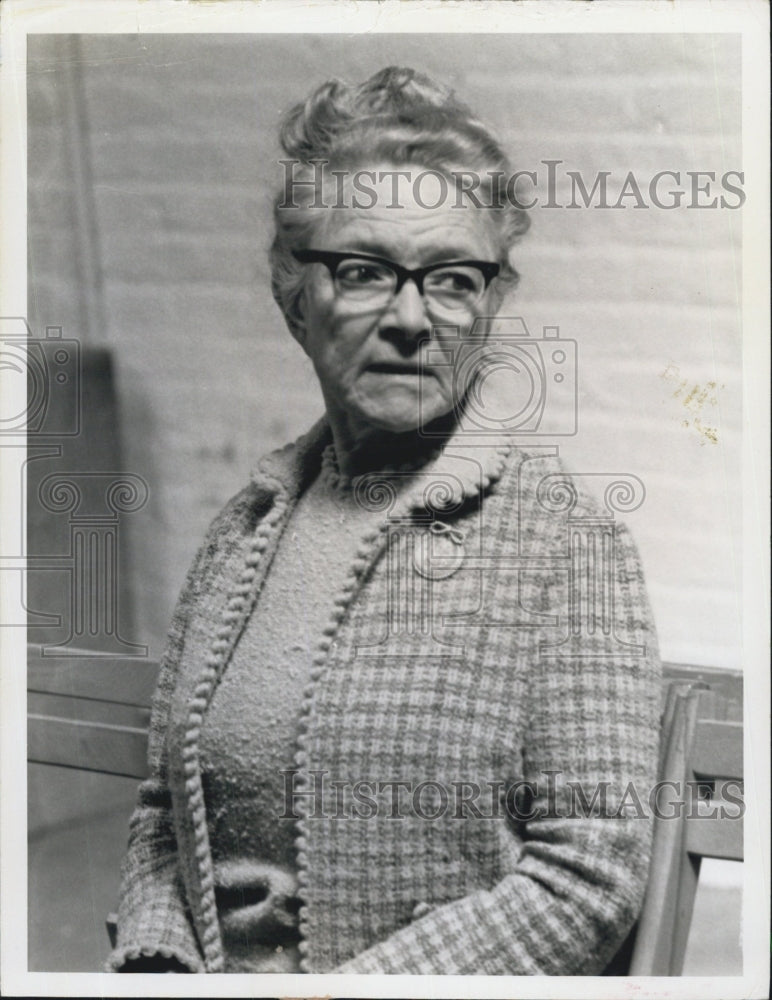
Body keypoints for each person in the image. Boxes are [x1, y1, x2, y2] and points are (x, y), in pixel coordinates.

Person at [110, 66, 660, 975]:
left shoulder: (565, 544)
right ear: (296, 297)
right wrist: (158, 964)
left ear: (488, 304)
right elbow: (160, 818)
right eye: (364, 271)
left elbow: (588, 875)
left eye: (451, 279)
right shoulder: (243, 531)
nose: (412, 318)